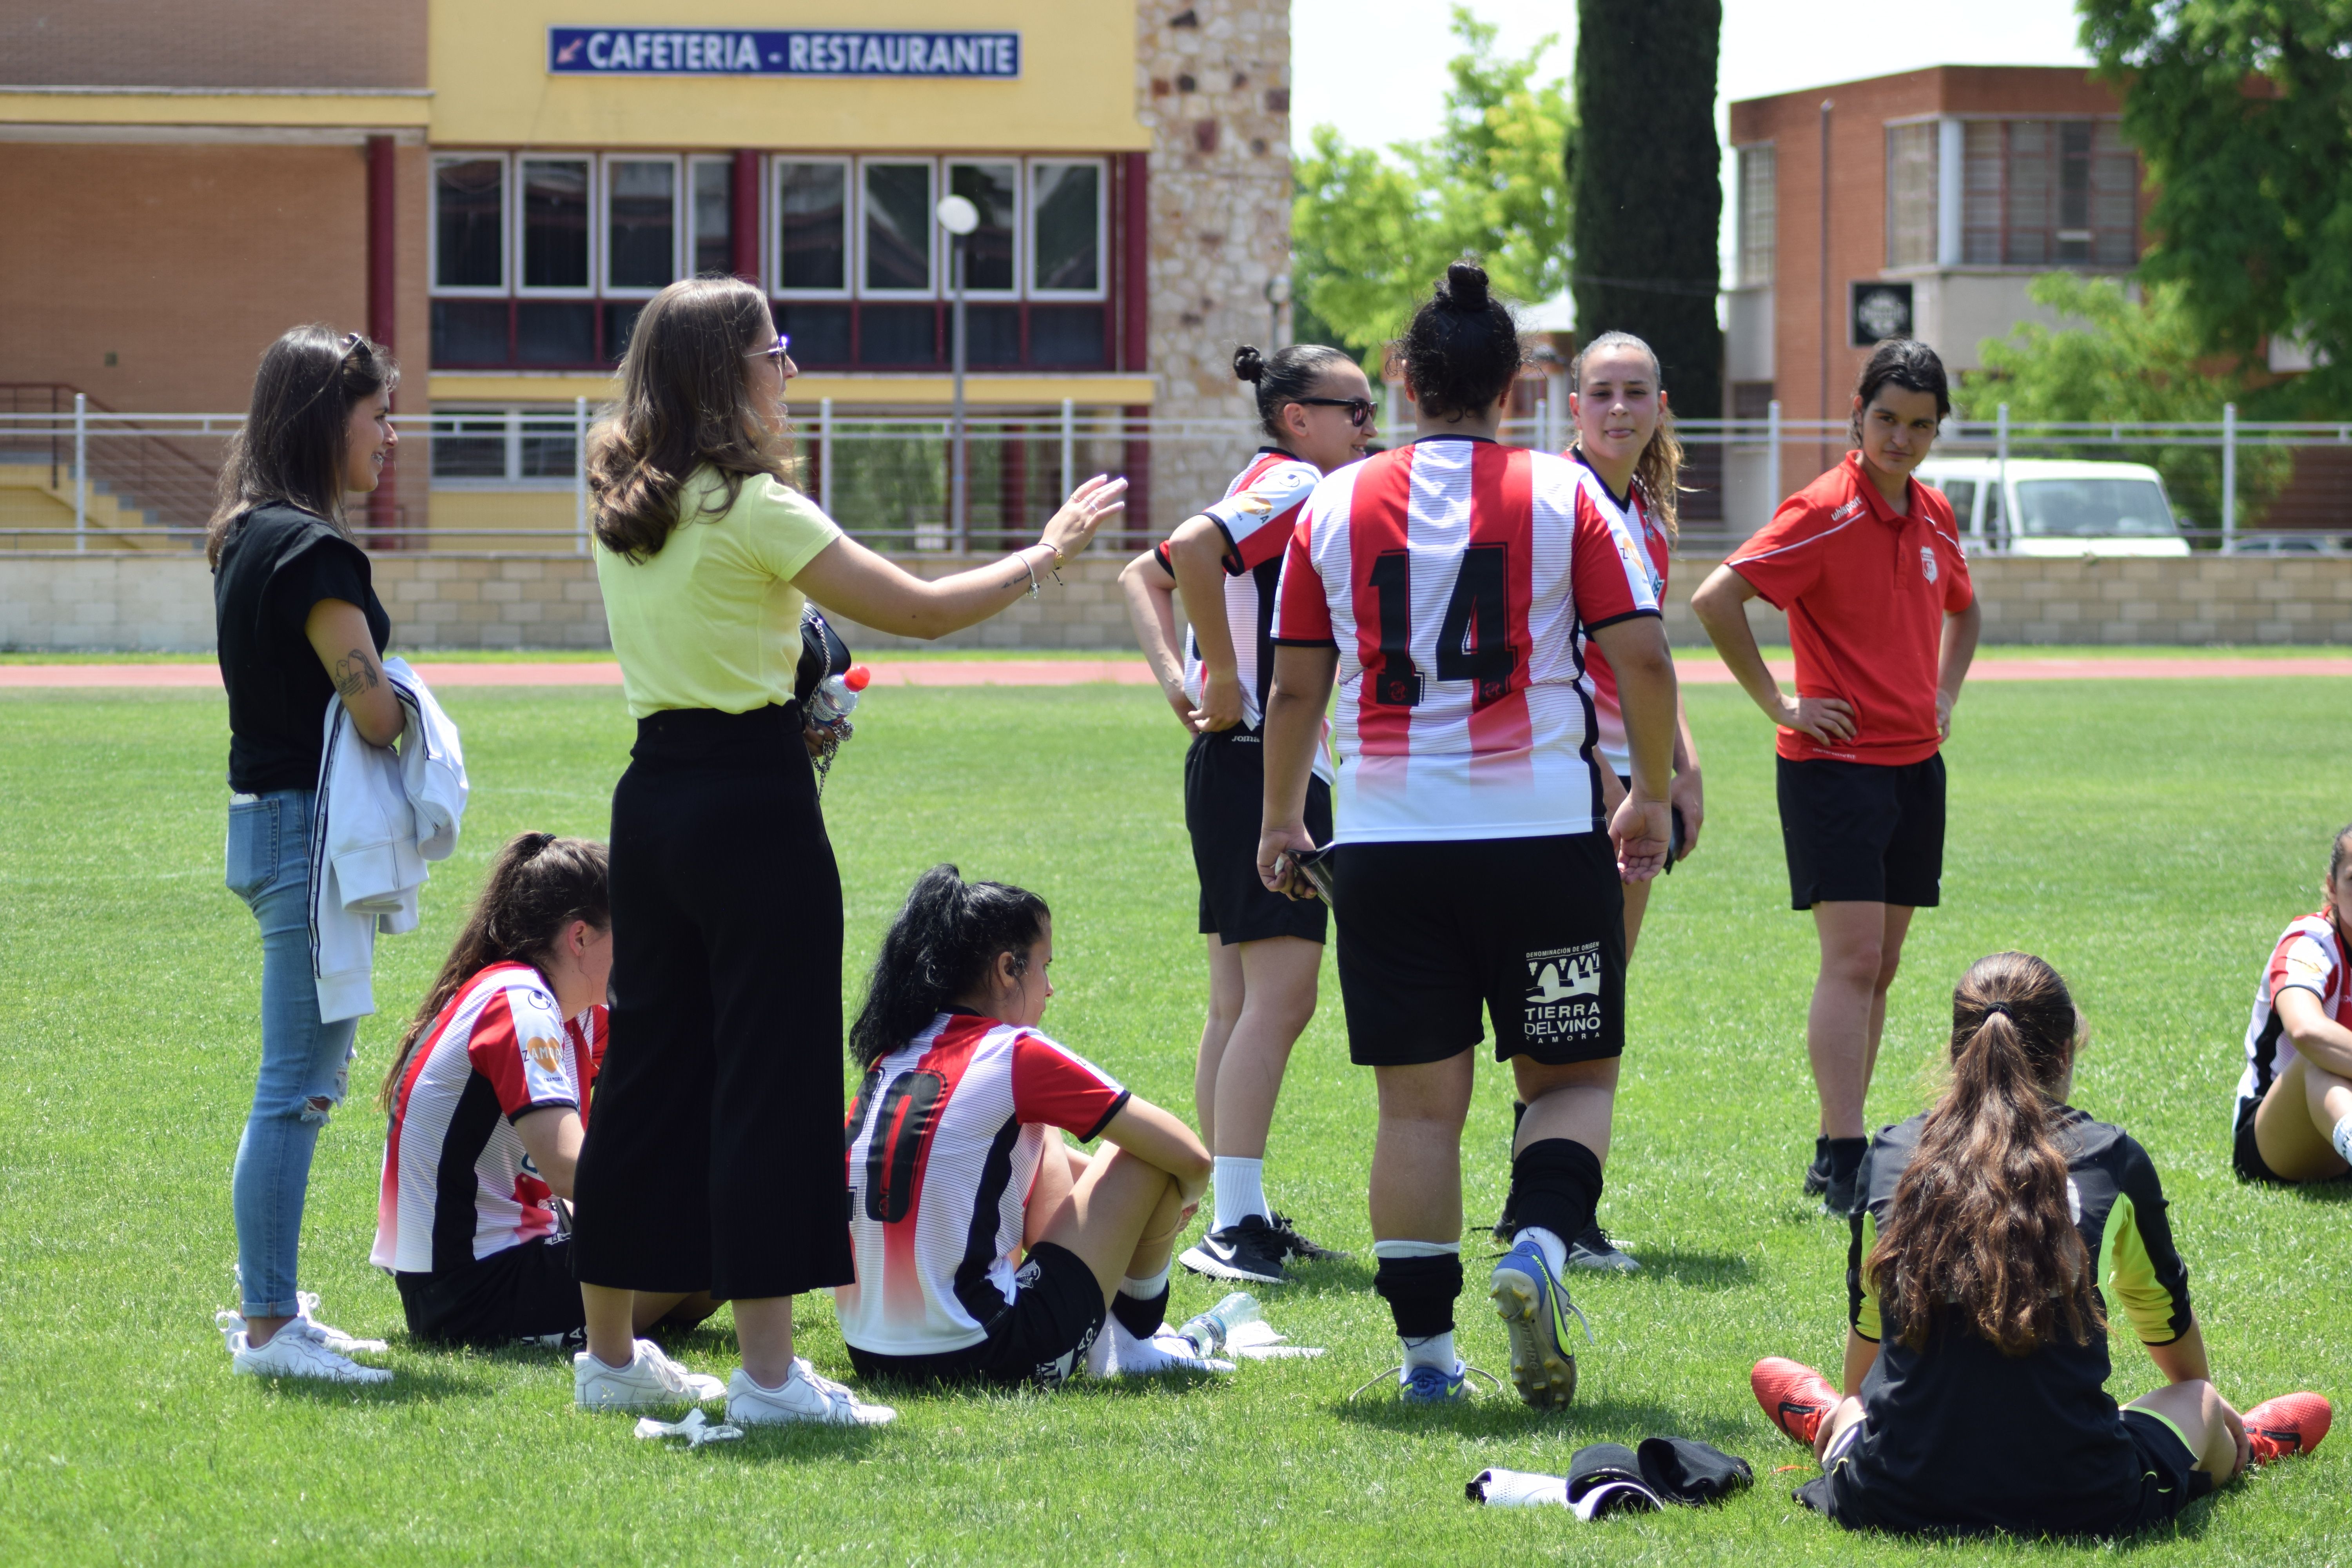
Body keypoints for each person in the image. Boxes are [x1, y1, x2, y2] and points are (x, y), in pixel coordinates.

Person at [568, 275, 1125, 1427]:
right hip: (749, 808)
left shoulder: (625, 501)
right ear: (731, 372)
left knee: (645, 1074)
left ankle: (609, 1352)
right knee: (770, 1082)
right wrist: (1047, 551)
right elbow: (916, 610)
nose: (788, 371)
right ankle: (769, 1378)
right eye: (775, 352)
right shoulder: (751, 503)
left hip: (654, 800)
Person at [1258, 260, 1681, 1408]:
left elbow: (1295, 689)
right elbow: (1639, 654)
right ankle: (1540, 1244)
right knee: (1570, 1078)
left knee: (1413, 1109)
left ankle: (1426, 1362)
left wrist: (1283, 816)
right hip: (1542, 837)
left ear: (1400, 378)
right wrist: (1646, 788)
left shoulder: (1329, 503)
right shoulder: (1566, 494)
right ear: (1518, 386)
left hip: (1390, 845)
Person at [1751, 951, 2330, 1537]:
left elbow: (1866, 1354)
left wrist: (1857, 1405)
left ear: (1957, 1053)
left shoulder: (1891, 1154)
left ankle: (1833, 1426)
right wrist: (2205, 1411)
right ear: (2064, 1053)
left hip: (1894, 1494)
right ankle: (2243, 1442)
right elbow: (2178, 1353)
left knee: (1855, 1405)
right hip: (2080, 1496)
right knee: (2201, 1404)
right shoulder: (2111, 1159)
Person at [1688, 338, 1982, 1218]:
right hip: (1834, 771)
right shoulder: (1823, 510)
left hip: (1913, 766)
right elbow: (1714, 598)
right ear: (1858, 416)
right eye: (1887, 419)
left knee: (1883, 966)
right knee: (1852, 959)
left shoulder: (1933, 513)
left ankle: (1845, 1146)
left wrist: (1945, 692)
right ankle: (1843, 1150)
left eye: (1921, 425)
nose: (1901, 438)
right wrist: (1781, 702)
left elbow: (1965, 613)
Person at [1116, 341, 1371, 1287]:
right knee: (1282, 996)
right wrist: (1216, 674)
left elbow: (1137, 578)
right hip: (1265, 760)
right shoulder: (1296, 483)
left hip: (1231, 761)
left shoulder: (1271, 481)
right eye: (1354, 407)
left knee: (1238, 1000)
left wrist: (1177, 679)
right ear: (1296, 415)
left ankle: (1236, 1210)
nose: (1369, 425)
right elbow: (1183, 552)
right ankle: (1233, 1225)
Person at [209, 325, 406, 1384]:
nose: (391, 434)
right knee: (298, 1083)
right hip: (305, 832)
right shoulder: (313, 552)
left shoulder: (245, 535)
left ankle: (276, 1308)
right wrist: (411, 712)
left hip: (268, 823)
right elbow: (371, 710)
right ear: (326, 416)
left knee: (307, 1074)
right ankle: (272, 1327)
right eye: (378, 413)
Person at [1490, 330, 1706, 1273]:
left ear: (1662, 406)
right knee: (1571, 997)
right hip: (1566, 781)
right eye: (1602, 393)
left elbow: (1646, 662)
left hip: (1629, 781)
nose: (1619, 408)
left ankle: (1541, 1204)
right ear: (1571, 407)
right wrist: (1611, 779)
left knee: (1595, 986)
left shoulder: (1649, 520)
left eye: (1636, 393)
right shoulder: (1550, 503)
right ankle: (1553, 1216)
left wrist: (1679, 767)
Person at [835, 866, 1224, 1387]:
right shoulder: (1013, 1054)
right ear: (1006, 971)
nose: (1052, 987)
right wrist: (1178, 1196)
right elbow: (1190, 1156)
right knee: (1143, 1154)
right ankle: (1134, 1337)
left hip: (872, 1353)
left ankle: (1116, 1331)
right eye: (1045, 966)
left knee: (1036, 1127)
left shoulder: (895, 1052)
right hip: (985, 1351)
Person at [372, 832, 719, 1350]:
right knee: (729, 1212)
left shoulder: (570, 1006)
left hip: (512, 1257)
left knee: (720, 1224)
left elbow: (669, 1068)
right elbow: (571, 1171)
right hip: (473, 1291)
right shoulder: (520, 1003)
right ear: (579, 938)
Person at [2231, 823, 2352, 1184]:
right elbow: (2306, 1031)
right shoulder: (2310, 943)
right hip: (2275, 1132)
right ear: (2332, 888)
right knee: (2318, 1060)